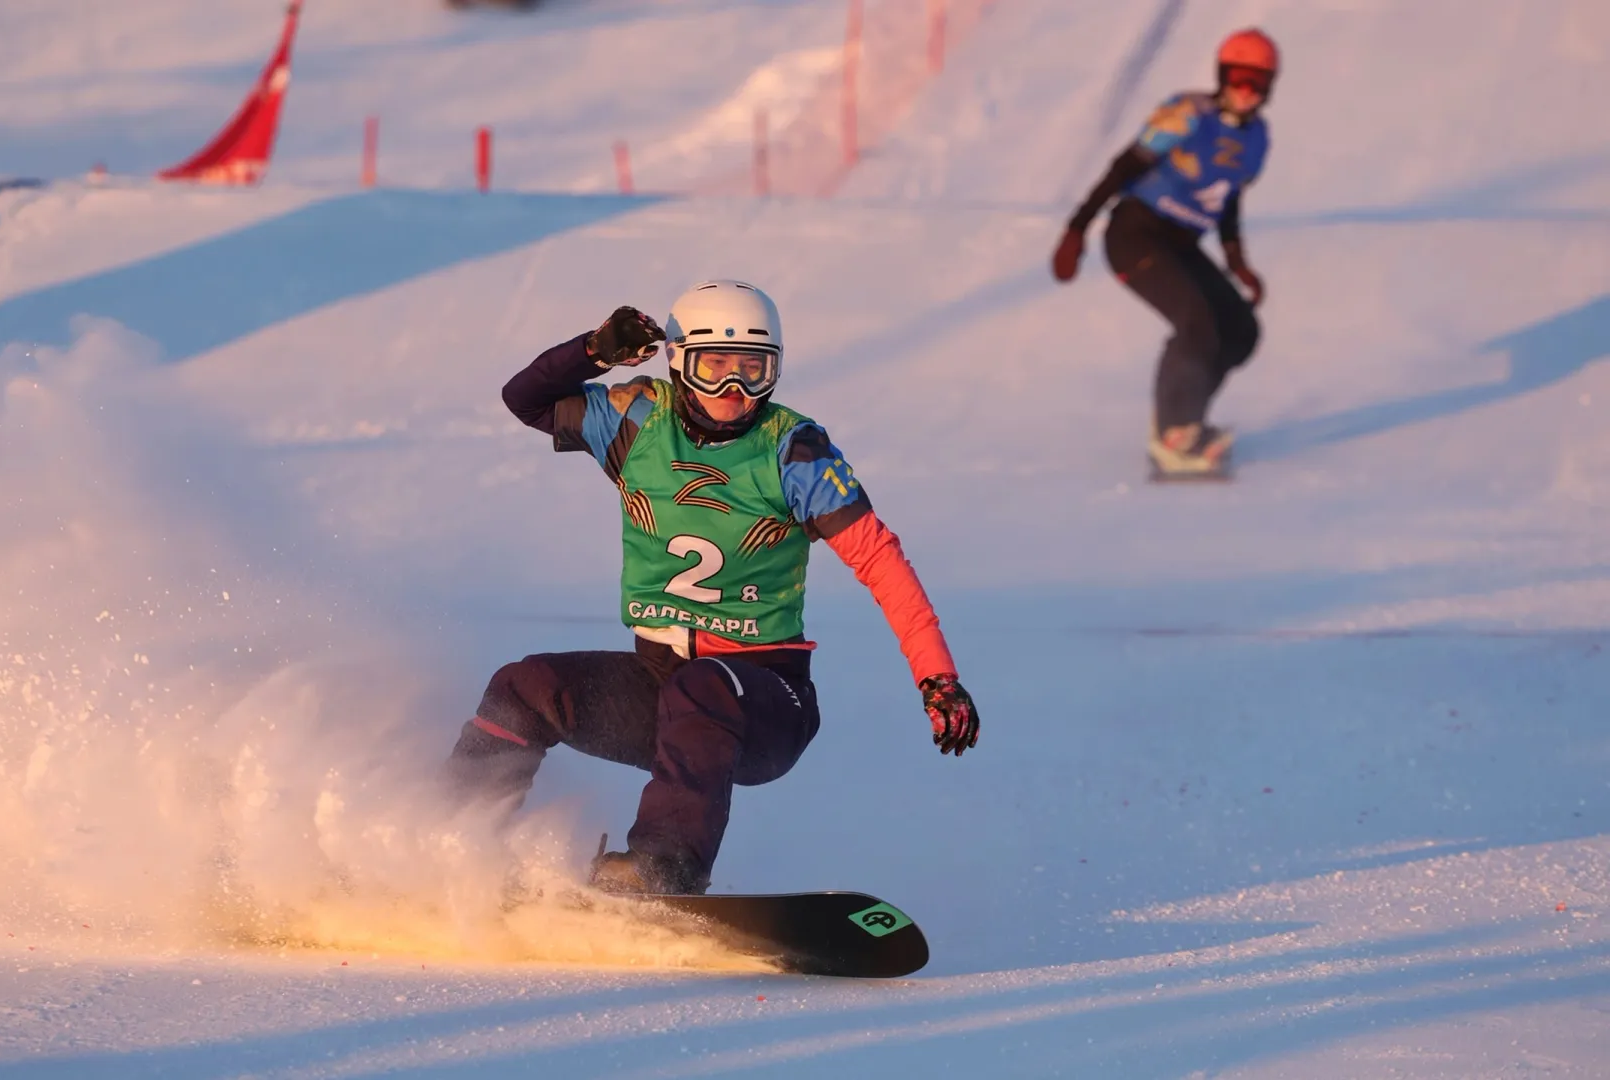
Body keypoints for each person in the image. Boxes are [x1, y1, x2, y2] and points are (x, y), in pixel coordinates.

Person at [443, 280, 982, 895]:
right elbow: (527, 399)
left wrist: (937, 676)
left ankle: (662, 869)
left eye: (754, 370)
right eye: (715, 366)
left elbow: (881, 561)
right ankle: (445, 840)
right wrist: (594, 350)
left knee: (704, 687)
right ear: (678, 362)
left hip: (766, 700)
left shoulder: (794, 451)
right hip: (660, 684)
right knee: (525, 686)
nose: (735, 389)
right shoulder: (637, 421)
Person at [1052, 28, 1278, 477]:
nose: (1245, 92)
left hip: (1181, 242)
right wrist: (1077, 228)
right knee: (1196, 321)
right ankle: (1175, 432)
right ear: (1221, 76)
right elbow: (1125, 166)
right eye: (1237, 78)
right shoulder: (1188, 114)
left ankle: (1184, 418)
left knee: (1240, 330)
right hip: (1136, 233)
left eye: (1257, 83)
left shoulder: (1257, 139)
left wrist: (1236, 260)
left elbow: (1228, 199)